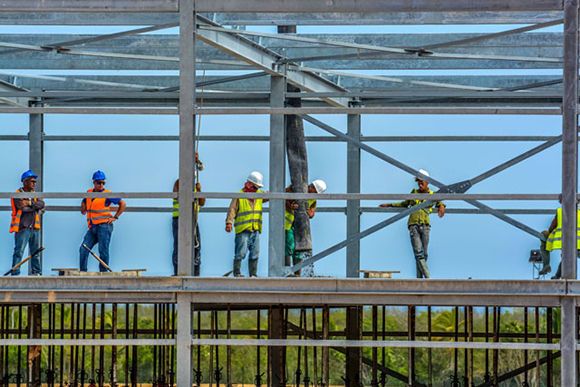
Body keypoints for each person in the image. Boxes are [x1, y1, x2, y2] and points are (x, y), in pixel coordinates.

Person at [379, 169, 445, 278]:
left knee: (424, 254)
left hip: (425, 226)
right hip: (413, 225)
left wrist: (442, 207)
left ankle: (419, 279)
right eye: (418, 181)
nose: (419, 184)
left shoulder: (433, 195)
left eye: (421, 182)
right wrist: (389, 204)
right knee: (419, 253)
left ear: (427, 182)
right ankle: (428, 278)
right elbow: (404, 203)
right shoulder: (414, 192)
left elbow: (440, 203)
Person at [78, 170, 126, 272]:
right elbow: (83, 210)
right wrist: (83, 203)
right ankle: (82, 272)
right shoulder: (89, 193)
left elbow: (122, 204)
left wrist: (115, 217)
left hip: (104, 226)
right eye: (99, 182)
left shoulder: (107, 194)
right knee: (83, 248)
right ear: (94, 182)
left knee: (103, 251)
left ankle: (103, 273)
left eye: (103, 183)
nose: (101, 185)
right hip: (92, 227)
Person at [225, 171, 265, 277]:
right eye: (254, 187)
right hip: (243, 230)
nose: (256, 190)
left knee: (255, 253)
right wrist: (229, 222)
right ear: (248, 184)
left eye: (257, 188)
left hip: (255, 229)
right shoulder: (239, 195)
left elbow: (270, 196)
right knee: (240, 253)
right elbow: (232, 209)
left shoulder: (259, 195)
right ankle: (237, 272)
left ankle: (253, 274)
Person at [172, 153, 206, 276]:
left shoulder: (195, 186)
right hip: (180, 219)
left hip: (193, 219)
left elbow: (202, 203)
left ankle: (196, 273)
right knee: (179, 246)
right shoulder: (179, 183)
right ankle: (177, 272)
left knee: (196, 246)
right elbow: (182, 198)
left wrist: (199, 191)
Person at [285, 179, 327, 276]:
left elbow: (312, 213)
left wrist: (307, 211)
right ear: (311, 187)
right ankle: (287, 271)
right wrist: (291, 205)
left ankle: (297, 274)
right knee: (289, 247)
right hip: (289, 224)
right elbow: (284, 198)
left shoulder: (313, 199)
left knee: (299, 250)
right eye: (315, 192)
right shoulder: (294, 189)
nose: (315, 194)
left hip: (300, 226)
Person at [9, 170, 44, 276]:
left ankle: (36, 273)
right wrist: (34, 205)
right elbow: (22, 208)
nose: (34, 184)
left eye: (35, 182)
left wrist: (29, 203)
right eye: (32, 181)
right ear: (25, 182)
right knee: (19, 251)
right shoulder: (17, 194)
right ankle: (15, 273)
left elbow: (41, 204)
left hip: (35, 227)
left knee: (36, 253)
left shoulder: (35, 194)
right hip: (23, 227)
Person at [545, 195, 580, 279]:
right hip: (577, 242)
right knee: (566, 259)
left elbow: (553, 225)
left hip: (566, 242)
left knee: (566, 259)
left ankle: (557, 276)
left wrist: (549, 232)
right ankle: (557, 276)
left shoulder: (560, 211)